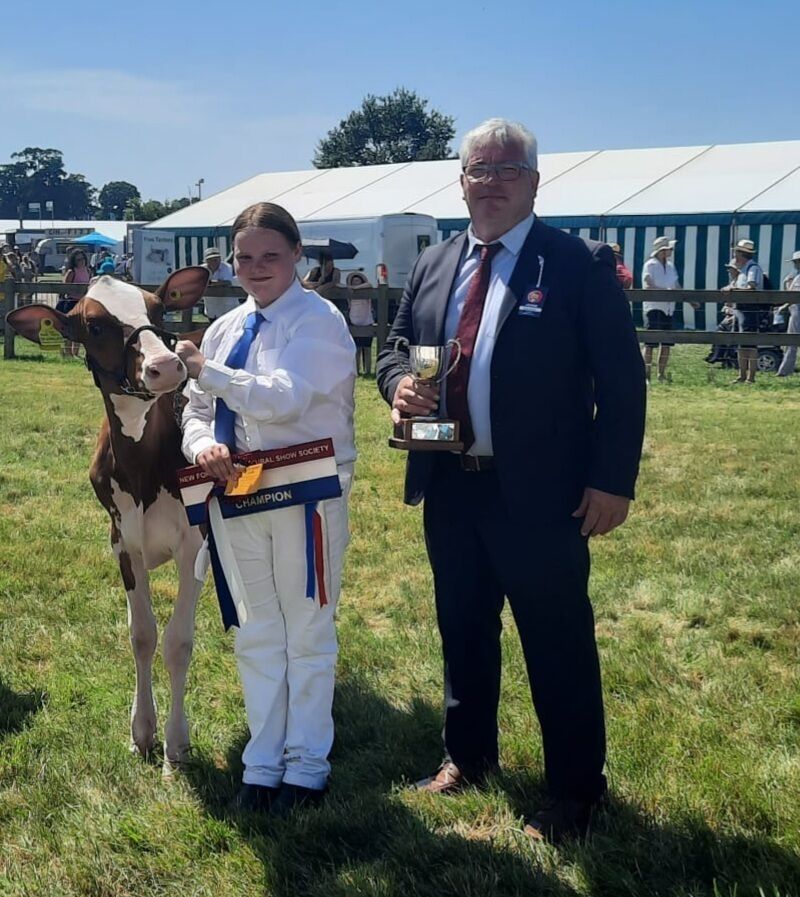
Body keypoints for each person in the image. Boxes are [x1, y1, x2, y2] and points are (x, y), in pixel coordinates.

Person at [375, 118, 646, 843]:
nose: (489, 182)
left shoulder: (577, 263)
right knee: (462, 628)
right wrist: (399, 383)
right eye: (476, 169)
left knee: (556, 639)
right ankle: (468, 756)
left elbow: (623, 383)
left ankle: (575, 792)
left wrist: (612, 479)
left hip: (544, 493)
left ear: (533, 180)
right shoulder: (435, 263)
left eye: (505, 169)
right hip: (451, 481)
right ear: (459, 180)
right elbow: (395, 350)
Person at [177, 202, 356, 817]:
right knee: (255, 627)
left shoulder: (320, 322)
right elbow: (196, 411)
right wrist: (204, 445)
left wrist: (206, 371)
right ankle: (262, 760)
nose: (256, 269)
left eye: (270, 256)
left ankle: (307, 765)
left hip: (307, 494)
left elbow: (284, 399)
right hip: (238, 493)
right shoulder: (227, 328)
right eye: (244, 257)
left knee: (307, 626)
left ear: (297, 256)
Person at [721, 239, 764, 383]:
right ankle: (742, 375)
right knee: (741, 343)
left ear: (741, 254)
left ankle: (750, 377)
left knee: (750, 344)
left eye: (736, 253)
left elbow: (751, 287)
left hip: (750, 310)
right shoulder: (743, 271)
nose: (734, 256)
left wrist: (733, 290)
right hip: (740, 309)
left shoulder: (753, 269)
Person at [641, 236, 680, 382]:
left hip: (669, 307)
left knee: (666, 343)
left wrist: (689, 299)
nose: (671, 251)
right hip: (654, 307)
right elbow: (647, 282)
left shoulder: (670, 265)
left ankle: (661, 374)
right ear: (662, 250)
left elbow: (676, 284)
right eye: (669, 249)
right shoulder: (650, 264)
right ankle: (646, 375)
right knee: (650, 343)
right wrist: (664, 290)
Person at [346, 271, 375, 375]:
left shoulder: (368, 292)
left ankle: (368, 371)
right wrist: (350, 288)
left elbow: (369, 284)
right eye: (354, 282)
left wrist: (354, 288)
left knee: (367, 349)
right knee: (357, 349)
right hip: (355, 322)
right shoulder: (349, 294)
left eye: (358, 281)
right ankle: (357, 370)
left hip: (367, 321)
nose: (356, 283)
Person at [776, 250, 800, 376]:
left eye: (796, 262)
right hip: (795, 310)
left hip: (797, 311)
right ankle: (785, 369)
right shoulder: (796, 277)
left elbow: (794, 297)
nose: (795, 264)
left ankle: (785, 370)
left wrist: (784, 306)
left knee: (791, 341)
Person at [201, 245, 239, 321]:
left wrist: (209, 282)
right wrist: (215, 283)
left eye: (217, 259)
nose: (215, 261)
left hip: (228, 308)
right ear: (206, 260)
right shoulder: (202, 269)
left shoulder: (226, 267)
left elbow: (227, 282)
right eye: (211, 259)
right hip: (211, 309)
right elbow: (198, 282)